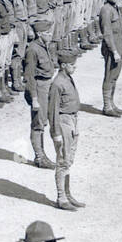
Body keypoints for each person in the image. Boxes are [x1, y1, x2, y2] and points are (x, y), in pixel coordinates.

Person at [48, 46, 83, 212]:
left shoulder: (67, 78)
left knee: (69, 160)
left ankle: (68, 194)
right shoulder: (57, 84)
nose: (74, 67)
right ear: (63, 65)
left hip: (73, 120)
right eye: (72, 65)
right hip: (63, 122)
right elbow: (52, 110)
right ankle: (61, 197)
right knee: (63, 161)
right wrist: (56, 133)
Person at [23, 18, 58, 167]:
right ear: (39, 34)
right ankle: (39, 157)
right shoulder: (32, 50)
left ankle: (42, 155)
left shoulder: (44, 46)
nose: (50, 34)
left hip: (47, 85)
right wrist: (35, 98)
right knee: (39, 123)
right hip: (39, 87)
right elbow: (29, 76)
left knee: (45, 121)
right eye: (47, 32)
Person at [98, 0, 122, 118]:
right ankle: (106, 106)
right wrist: (114, 51)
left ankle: (112, 103)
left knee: (115, 76)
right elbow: (107, 33)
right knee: (109, 76)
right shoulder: (106, 10)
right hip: (112, 46)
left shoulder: (115, 7)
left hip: (119, 44)